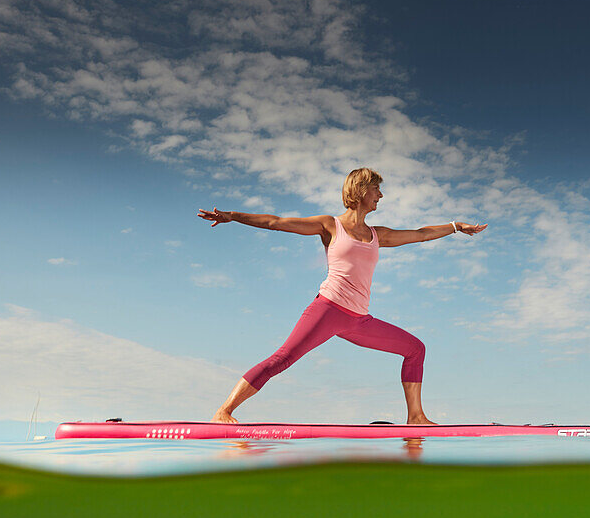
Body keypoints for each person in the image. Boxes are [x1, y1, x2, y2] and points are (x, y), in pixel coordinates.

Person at [198, 168, 487, 425]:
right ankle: (223, 411)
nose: (381, 195)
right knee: (282, 359)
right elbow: (276, 222)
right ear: (361, 191)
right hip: (327, 310)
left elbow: (421, 234)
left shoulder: (378, 234)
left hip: (359, 321)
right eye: (376, 189)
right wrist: (232, 216)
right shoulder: (329, 225)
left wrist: (455, 227)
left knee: (415, 349)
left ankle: (416, 418)